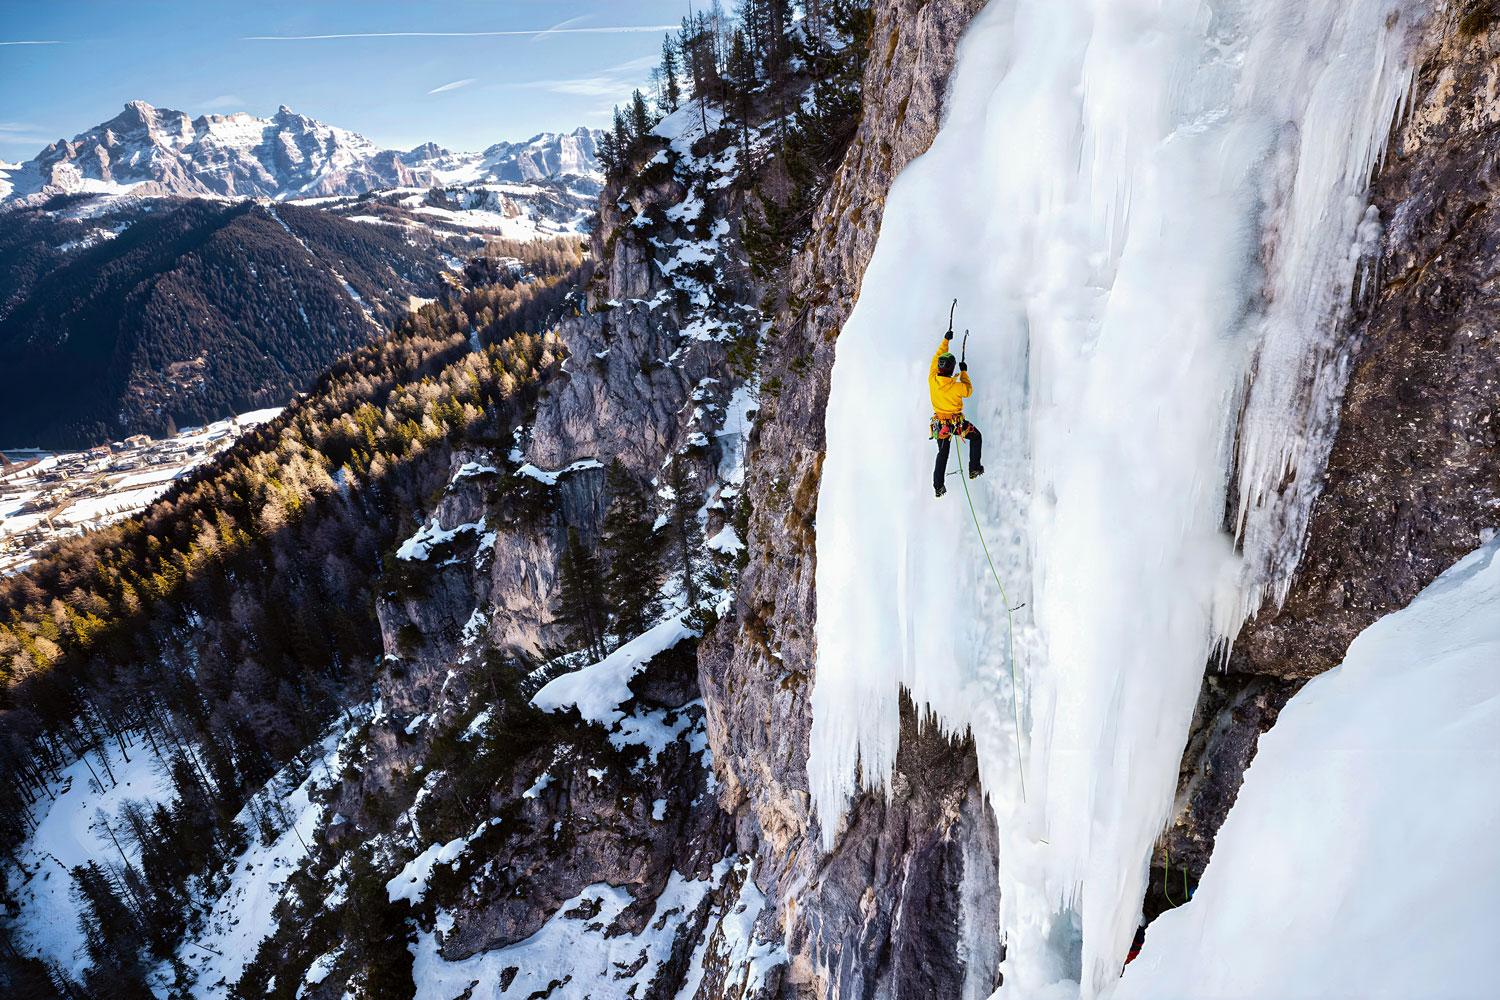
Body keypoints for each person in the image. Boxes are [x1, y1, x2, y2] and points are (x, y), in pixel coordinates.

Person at [929, 330, 983, 497]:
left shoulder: (932, 379)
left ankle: (938, 486)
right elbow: (968, 390)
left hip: (941, 426)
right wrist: (964, 372)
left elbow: (936, 357)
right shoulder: (957, 386)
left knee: (943, 453)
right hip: (956, 425)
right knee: (976, 437)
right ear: (952, 369)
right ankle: (974, 468)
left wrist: (945, 340)